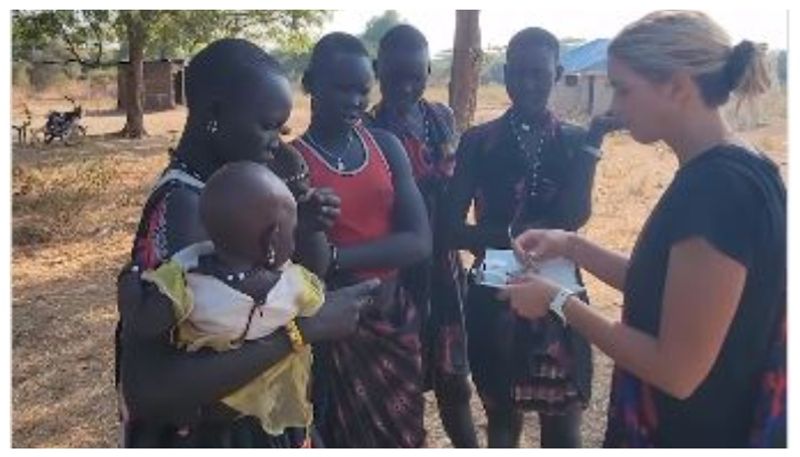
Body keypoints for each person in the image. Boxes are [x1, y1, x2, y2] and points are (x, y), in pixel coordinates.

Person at [501, 11, 785, 447]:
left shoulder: (717, 191)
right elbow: (670, 289)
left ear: (676, 85)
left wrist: (558, 301)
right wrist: (572, 245)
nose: (614, 106)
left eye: (624, 88)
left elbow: (676, 371)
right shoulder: (737, 167)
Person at [115, 38, 379, 448]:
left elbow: (302, 275)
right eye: (267, 125)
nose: (278, 140)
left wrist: (301, 223)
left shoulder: (240, 191)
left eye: (282, 128)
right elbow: (151, 387)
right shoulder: (185, 207)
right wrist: (301, 332)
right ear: (216, 113)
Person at [445, 27, 619, 447]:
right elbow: (450, 227)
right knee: (502, 422)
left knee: (563, 427)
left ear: (557, 73)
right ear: (504, 74)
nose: (528, 84)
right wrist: (510, 238)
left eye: (539, 74)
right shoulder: (479, 142)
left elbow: (574, 217)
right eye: (519, 73)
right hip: (496, 297)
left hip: (562, 298)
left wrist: (594, 139)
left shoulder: (577, 141)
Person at [291, 32, 432, 447]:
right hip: (335, 326)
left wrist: (336, 256)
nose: (355, 100)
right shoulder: (291, 162)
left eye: (362, 90)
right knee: (344, 436)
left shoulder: (386, 147)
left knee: (405, 434)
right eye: (342, 88)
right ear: (311, 83)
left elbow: (419, 241)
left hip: (394, 317)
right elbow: (301, 264)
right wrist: (322, 247)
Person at [139, 161, 329, 439]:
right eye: (294, 228)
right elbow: (320, 300)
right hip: (269, 421)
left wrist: (132, 289)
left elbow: (147, 319)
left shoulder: (184, 277)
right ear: (273, 238)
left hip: (204, 420)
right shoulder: (290, 284)